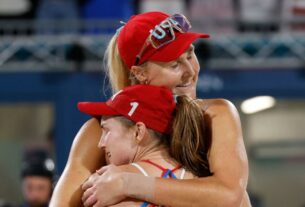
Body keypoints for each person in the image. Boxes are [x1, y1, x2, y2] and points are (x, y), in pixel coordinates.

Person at [50, 11, 250, 207]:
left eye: (190, 55)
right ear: (140, 73)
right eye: (174, 64)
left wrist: (128, 183)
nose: (190, 71)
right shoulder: (100, 130)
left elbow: (229, 195)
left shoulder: (215, 114)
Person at [78, 84, 210, 206]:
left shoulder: (105, 184)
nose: (101, 144)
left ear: (138, 132)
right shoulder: (202, 182)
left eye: (107, 131)